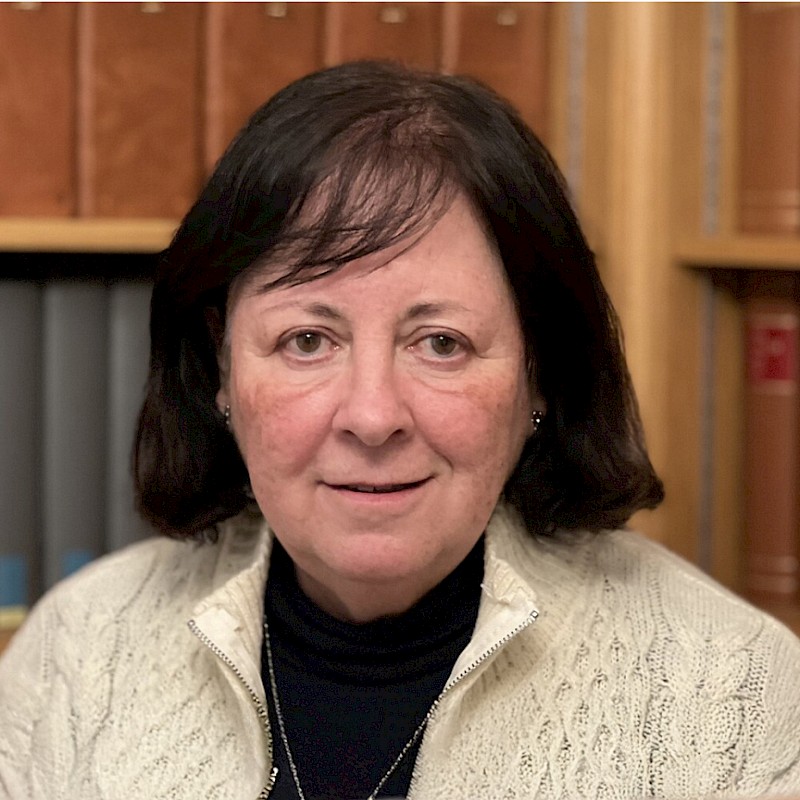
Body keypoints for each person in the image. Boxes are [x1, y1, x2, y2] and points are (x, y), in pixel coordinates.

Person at [1, 60, 799, 800]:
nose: (373, 416)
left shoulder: (729, 688)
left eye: (441, 343)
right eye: (307, 340)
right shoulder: (80, 652)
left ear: (540, 372)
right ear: (221, 365)